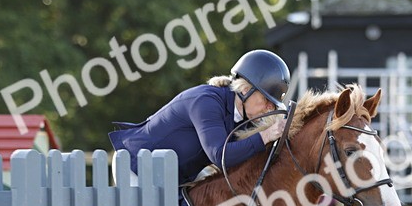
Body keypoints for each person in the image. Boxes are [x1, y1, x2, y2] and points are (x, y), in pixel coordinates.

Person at [109, 49, 290, 183]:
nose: (269, 108)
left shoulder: (244, 118)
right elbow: (220, 155)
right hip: (137, 168)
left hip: (175, 178)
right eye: (266, 99)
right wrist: (266, 135)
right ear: (245, 90)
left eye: (273, 104)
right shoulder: (206, 102)